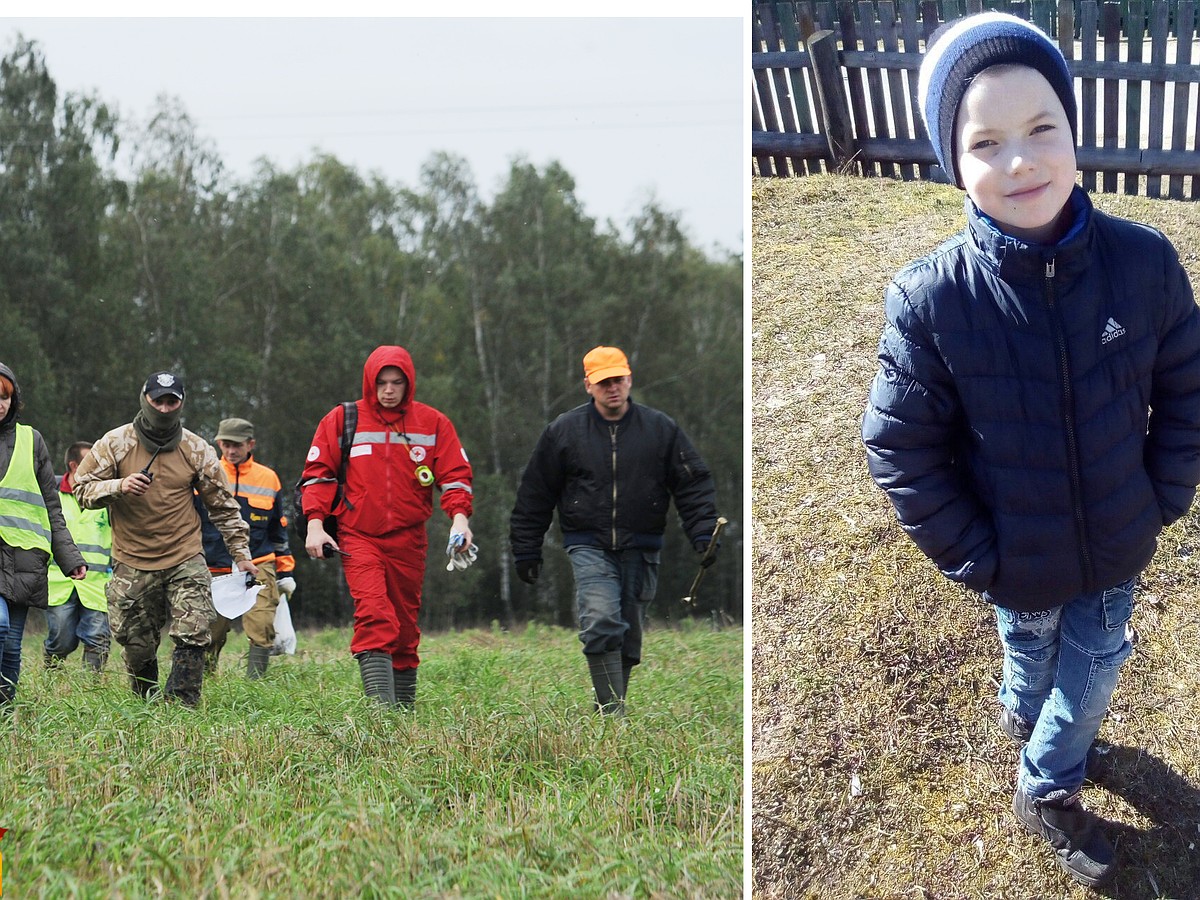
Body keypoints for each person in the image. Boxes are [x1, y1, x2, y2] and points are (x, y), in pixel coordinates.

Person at [861, 13, 1200, 887]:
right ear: (956, 165)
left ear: (1075, 136)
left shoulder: (1146, 263)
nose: (1020, 160)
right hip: (1015, 558)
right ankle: (1023, 709)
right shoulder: (931, 301)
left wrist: (1161, 495)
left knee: (1092, 668)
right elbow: (901, 449)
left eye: (1042, 128)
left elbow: (1188, 387)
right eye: (987, 142)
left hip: (1120, 539)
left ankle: (1046, 784)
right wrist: (976, 553)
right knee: (1032, 649)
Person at [509, 346, 720, 716]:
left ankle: (610, 708)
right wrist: (526, 548)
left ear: (629, 379)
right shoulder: (563, 432)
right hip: (587, 544)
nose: (612, 388)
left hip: (643, 546)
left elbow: (692, 484)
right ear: (587, 385)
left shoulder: (660, 429)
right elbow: (535, 493)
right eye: (603, 382)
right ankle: (612, 715)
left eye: (618, 380)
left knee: (627, 636)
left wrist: (703, 534)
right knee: (601, 619)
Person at [298, 345, 475, 708]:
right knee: (375, 614)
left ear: (409, 383)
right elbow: (317, 476)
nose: (389, 390)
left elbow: (455, 476)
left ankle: (403, 716)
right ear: (370, 382)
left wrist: (460, 518)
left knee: (405, 629)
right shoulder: (342, 420)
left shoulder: (433, 423)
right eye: (382, 383)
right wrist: (315, 526)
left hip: (410, 540)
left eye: (397, 382)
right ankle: (382, 717)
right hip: (358, 535)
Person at [74, 371, 256, 707]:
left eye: (172, 401)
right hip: (132, 558)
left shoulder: (196, 448)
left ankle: (182, 705)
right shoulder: (115, 443)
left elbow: (223, 507)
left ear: (181, 404)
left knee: (195, 629)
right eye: (158, 400)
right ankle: (146, 701)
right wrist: (119, 486)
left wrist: (241, 554)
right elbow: (80, 488)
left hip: (184, 555)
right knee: (135, 641)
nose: (164, 407)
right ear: (145, 399)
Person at [0, 363, 86, 707]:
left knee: (11, 649)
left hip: (25, 560)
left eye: (4, 396)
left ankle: (4, 719)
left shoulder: (31, 440)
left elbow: (52, 506)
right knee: (0, 627)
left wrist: (69, 557)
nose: (0, 404)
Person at [198, 417, 296, 679]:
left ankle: (255, 685)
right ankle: (207, 680)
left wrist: (285, 571)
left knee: (262, 624)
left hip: (259, 561)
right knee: (211, 631)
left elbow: (278, 527)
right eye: (226, 444)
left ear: (250, 444)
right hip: (214, 563)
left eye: (237, 445)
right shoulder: (206, 475)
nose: (231, 451)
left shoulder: (268, 478)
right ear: (218, 443)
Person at [44, 441, 112, 672]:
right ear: (74, 466)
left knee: (98, 639)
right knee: (62, 642)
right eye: (90, 462)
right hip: (59, 584)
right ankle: (52, 676)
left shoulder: (106, 500)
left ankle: (89, 691)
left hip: (97, 585)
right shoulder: (52, 497)